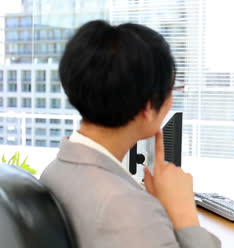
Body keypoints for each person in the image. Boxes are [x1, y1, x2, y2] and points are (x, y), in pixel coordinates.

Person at [40, 20, 221, 248]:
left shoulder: (57, 170)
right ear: (147, 106)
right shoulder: (125, 206)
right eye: (171, 89)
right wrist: (185, 217)